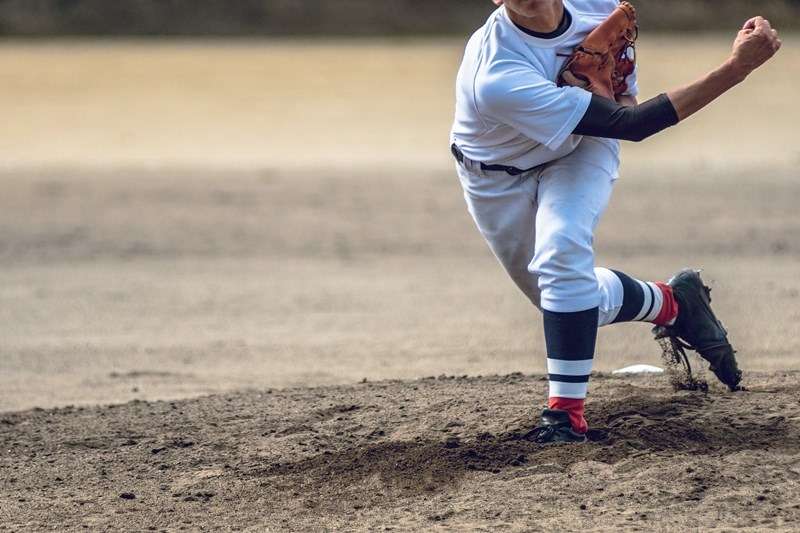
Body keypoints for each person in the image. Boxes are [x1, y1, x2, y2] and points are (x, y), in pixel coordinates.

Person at [450, 0, 781, 443]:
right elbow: (633, 123)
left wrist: (612, 95)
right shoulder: (496, 73)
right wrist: (736, 68)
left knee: (562, 253)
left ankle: (564, 418)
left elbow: (625, 105)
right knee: (562, 300)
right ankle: (673, 303)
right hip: (497, 179)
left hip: (583, 147)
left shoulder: (598, 6)